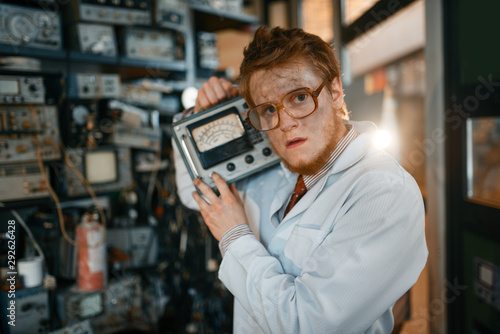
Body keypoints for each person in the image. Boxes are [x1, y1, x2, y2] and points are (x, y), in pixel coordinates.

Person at [173, 26, 428, 334]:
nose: (285, 124)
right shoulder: (275, 163)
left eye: (299, 98)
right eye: (268, 109)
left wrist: (235, 236)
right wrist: (201, 116)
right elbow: (195, 193)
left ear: (334, 92)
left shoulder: (384, 193)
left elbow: (307, 325)